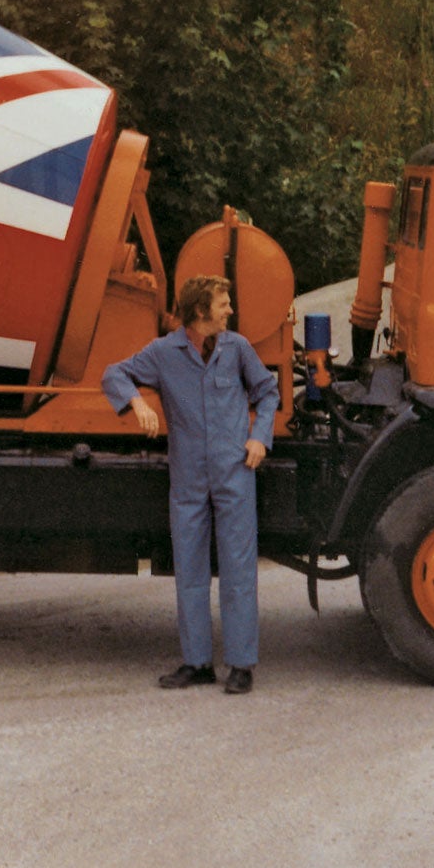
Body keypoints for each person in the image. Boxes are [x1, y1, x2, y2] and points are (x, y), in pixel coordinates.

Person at [101, 272, 279, 695]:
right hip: (188, 477)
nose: (230, 309)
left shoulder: (237, 348)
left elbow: (268, 392)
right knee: (190, 569)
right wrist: (137, 402)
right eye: (223, 303)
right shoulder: (164, 353)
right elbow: (114, 374)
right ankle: (197, 663)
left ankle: (241, 665)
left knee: (238, 569)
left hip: (235, 469)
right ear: (201, 310)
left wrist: (260, 436)